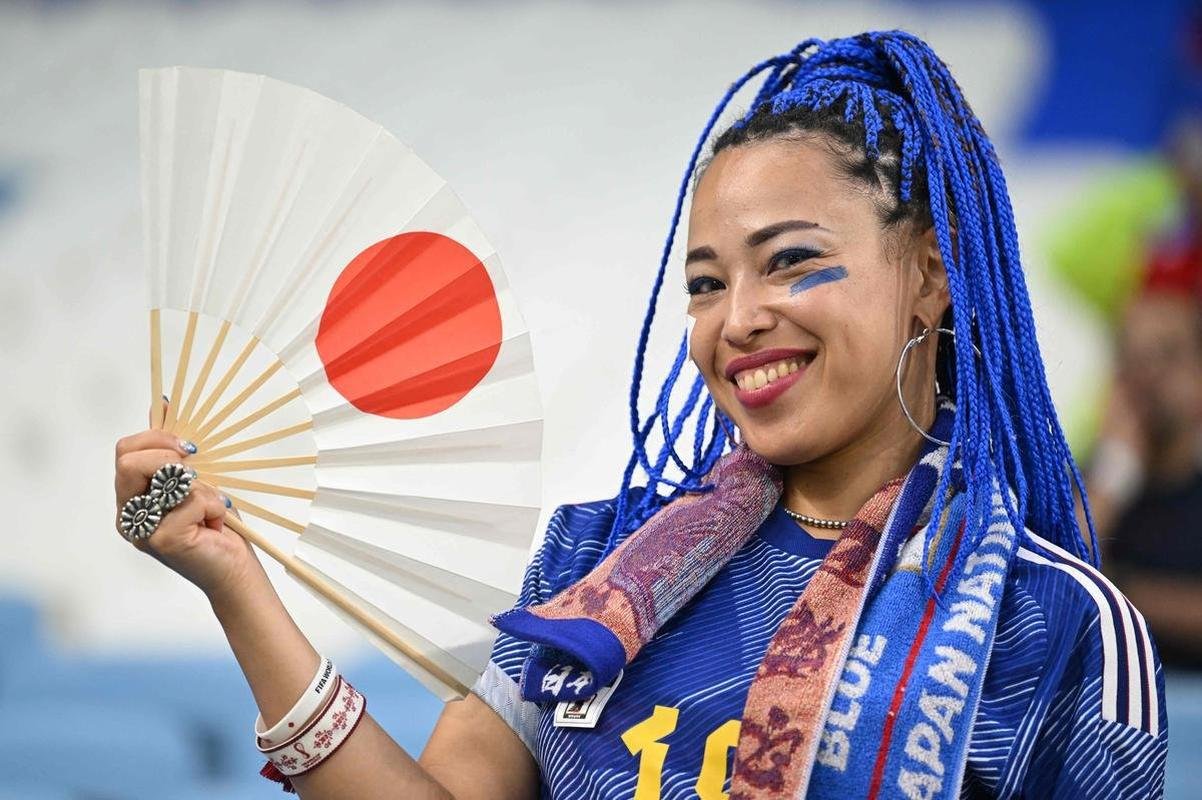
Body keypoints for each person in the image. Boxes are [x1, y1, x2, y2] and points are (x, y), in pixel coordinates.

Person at [112, 31, 1167, 799]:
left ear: (929, 276)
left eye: (791, 262)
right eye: (706, 283)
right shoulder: (594, 567)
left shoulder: (1060, 625)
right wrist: (232, 575)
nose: (737, 320)